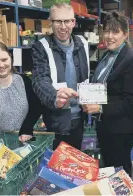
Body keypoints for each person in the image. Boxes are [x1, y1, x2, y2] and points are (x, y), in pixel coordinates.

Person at [82, 11, 133, 176]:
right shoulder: (107, 56)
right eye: (107, 31)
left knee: (119, 172)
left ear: (125, 34)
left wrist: (100, 108)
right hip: (105, 126)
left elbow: (131, 102)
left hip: (120, 130)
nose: (109, 36)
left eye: (115, 32)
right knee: (109, 168)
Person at [31, 3, 90, 150]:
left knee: (76, 164)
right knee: (56, 167)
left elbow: (88, 76)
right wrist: (54, 97)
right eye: (58, 21)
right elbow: (39, 80)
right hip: (56, 121)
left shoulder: (82, 43)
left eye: (67, 21)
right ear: (50, 22)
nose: (63, 26)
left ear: (74, 22)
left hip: (81, 117)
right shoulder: (41, 47)